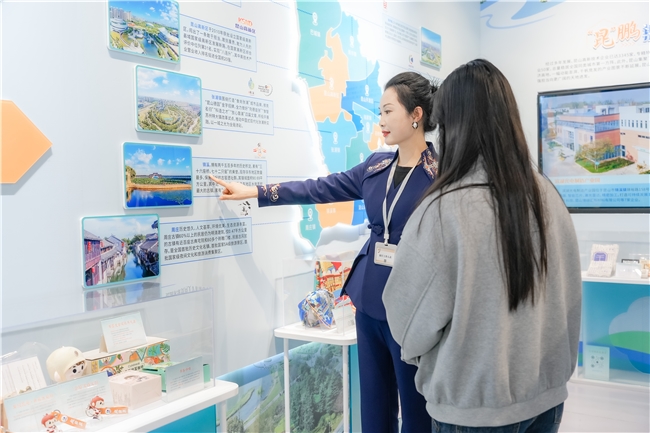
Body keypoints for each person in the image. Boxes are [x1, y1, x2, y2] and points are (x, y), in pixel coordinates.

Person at [212, 72, 438, 432]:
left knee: (417, 414)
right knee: (374, 411)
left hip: (413, 307)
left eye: (388, 111)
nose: (380, 120)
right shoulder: (376, 166)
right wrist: (255, 192)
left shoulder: (439, 176)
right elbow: (319, 188)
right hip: (369, 302)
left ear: (416, 115)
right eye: (379, 112)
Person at [382, 59, 582, 432]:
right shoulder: (547, 195)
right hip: (547, 399)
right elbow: (569, 299)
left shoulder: (444, 209)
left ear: (453, 127)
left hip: (473, 410)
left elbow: (407, 326)